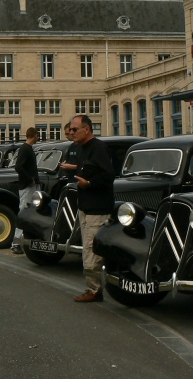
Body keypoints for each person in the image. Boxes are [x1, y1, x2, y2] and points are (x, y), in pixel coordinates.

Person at [70, 114, 115, 303]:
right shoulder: (81, 149)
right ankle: (92, 287)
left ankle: (94, 290)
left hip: (98, 208)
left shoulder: (99, 148)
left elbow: (108, 176)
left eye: (74, 129)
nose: (71, 132)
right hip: (85, 207)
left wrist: (89, 183)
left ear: (86, 130)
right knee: (87, 249)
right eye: (70, 130)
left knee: (92, 251)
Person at [11, 127, 39, 254]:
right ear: (34, 136)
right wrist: (29, 179)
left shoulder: (27, 149)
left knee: (29, 212)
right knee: (24, 212)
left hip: (29, 185)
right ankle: (16, 242)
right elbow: (18, 167)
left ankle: (24, 240)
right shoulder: (26, 149)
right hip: (27, 186)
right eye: (38, 135)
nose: (38, 138)